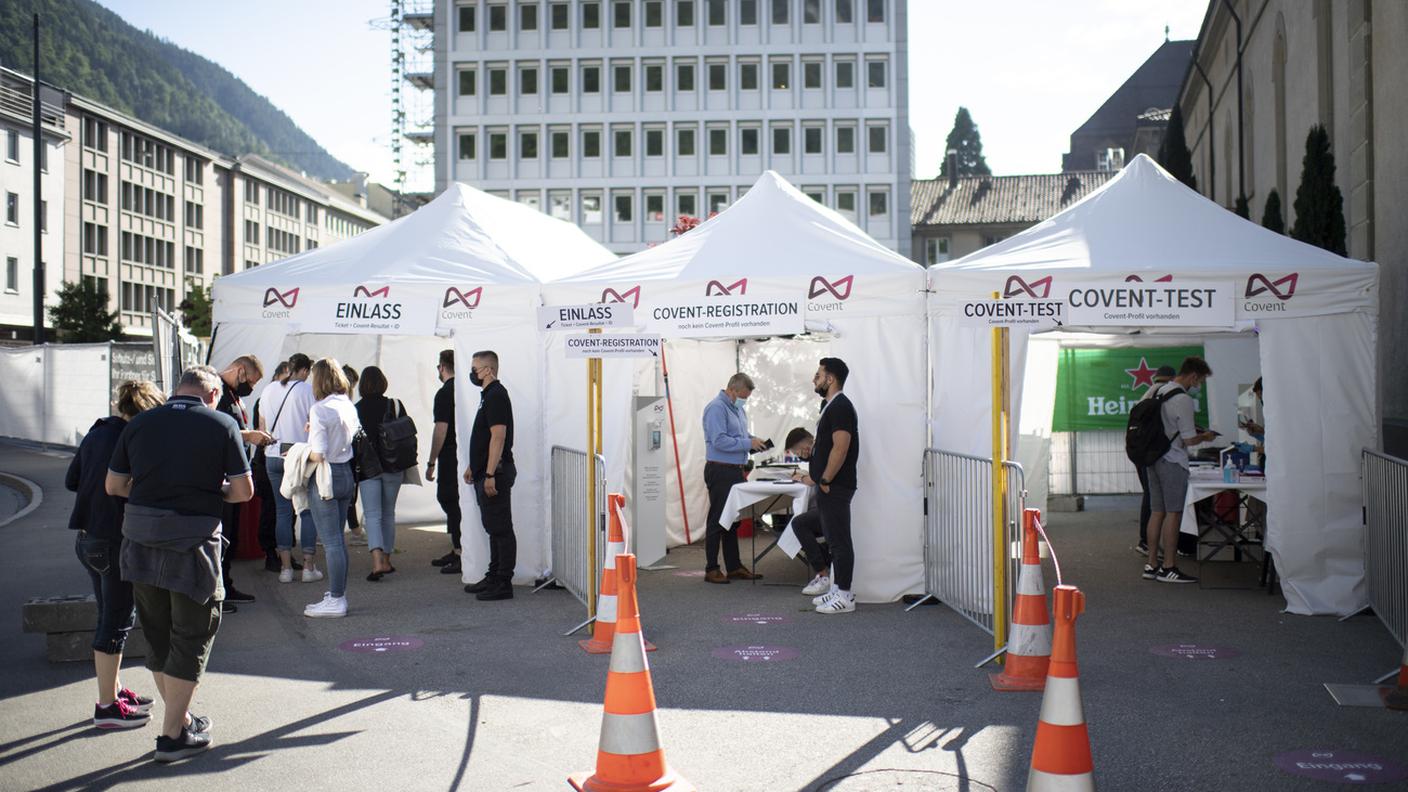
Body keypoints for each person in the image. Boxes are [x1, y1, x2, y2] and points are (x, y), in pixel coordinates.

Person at [105, 365, 253, 762]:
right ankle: (171, 737)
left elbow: (114, 486)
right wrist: (211, 487)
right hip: (192, 543)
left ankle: (181, 719)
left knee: (157, 634)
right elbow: (242, 491)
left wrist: (155, 488)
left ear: (176, 390)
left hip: (139, 539)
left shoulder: (138, 424)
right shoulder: (221, 424)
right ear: (213, 395)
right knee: (192, 634)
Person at [67, 380, 165, 730]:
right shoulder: (133, 440)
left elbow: (71, 480)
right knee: (117, 621)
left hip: (86, 538)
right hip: (114, 540)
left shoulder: (97, 433)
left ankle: (114, 689)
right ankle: (106, 706)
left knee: (107, 616)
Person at [791, 358, 861, 614]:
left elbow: (841, 447)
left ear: (830, 379)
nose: (814, 379)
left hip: (836, 486)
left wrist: (826, 479)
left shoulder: (840, 406)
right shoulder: (830, 406)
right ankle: (836, 587)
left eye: (818, 375)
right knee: (832, 539)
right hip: (828, 486)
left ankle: (844, 595)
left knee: (840, 541)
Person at [1143, 356, 1217, 584]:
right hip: (1173, 460)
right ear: (1194, 375)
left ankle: (1152, 564)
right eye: (1201, 380)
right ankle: (1169, 567)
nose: (1200, 385)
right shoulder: (1182, 399)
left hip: (1152, 458)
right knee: (1174, 513)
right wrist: (1205, 436)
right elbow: (1189, 440)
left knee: (1157, 512)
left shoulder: (1156, 389)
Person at [302, 358, 362, 618]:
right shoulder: (347, 404)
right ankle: (338, 594)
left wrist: (297, 452)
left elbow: (319, 453)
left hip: (326, 476)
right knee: (337, 540)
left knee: (332, 542)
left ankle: (336, 598)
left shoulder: (319, 409)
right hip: (345, 473)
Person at [215, 355, 274, 610]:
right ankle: (217, 593)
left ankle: (225, 586)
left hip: (235, 475)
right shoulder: (217, 393)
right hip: (222, 477)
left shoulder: (233, 396)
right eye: (250, 381)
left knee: (230, 537)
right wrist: (249, 436)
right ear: (240, 371)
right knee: (222, 537)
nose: (251, 387)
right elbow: (215, 429)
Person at [459, 351, 518, 601]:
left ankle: (503, 581)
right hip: (486, 471)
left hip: (496, 473)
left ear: (488, 370)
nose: (472, 372)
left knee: (500, 528)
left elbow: (498, 436)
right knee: (493, 527)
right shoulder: (488, 396)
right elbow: (485, 436)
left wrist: (491, 472)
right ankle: (494, 575)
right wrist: (476, 465)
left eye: (475, 368)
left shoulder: (496, 395)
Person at [259, 353, 320, 584]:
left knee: (282, 512)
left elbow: (262, 428)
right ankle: (308, 566)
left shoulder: (268, 390)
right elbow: (314, 424)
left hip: (273, 455)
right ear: (304, 371)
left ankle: (285, 568)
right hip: (300, 456)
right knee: (306, 511)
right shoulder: (306, 391)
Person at [701, 373, 767, 584]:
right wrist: (748, 444)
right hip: (720, 470)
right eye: (743, 396)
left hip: (735, 470)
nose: (744, 400)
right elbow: (719, 441)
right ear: (732, 390)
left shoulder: (737, 409)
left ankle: (734, 566)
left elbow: (740, 435)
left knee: (732, 520)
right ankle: (711, 568)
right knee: (717, 519)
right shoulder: (716, 408)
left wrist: (754, 441)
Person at [356, 365, 406, 581]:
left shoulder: (356, 409)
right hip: (393, 466)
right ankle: (386, 560)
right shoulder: (394, 405)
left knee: (372, 515)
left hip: (368, 468)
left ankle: (376, 562)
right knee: (388, 514)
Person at [426, 349, 462, 574]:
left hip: (450, 452)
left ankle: (460, 550)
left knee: (449, 498)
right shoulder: (464, 390)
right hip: (462, 450)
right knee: (454, 500)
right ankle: (457, 547)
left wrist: (431, 461)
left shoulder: (444, 393)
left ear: (442, 367)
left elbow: (441, 429)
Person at [1134, 364, 1177, 556]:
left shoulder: (1148, 393)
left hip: (1142, 451)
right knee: (1154, 501)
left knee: (1150, 497)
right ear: (1171, 379)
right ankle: (1145, 542)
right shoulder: (1162, 394)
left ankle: (1145, 542)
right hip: (1154, 453)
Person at [251, 363, 289, 572]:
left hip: (281, 458)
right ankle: (270, 553)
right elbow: (261, 431)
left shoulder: (286, 399)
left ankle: (284, 553)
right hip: (267, 459)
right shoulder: (264, 400)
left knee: (285, 509)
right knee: (270, 509)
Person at [341, 364, 367, 547]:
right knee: (348, 495)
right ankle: (354, 528)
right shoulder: (346, 405)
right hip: (345, 456)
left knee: (348, 495)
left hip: (344, 455)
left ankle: (354, 527)